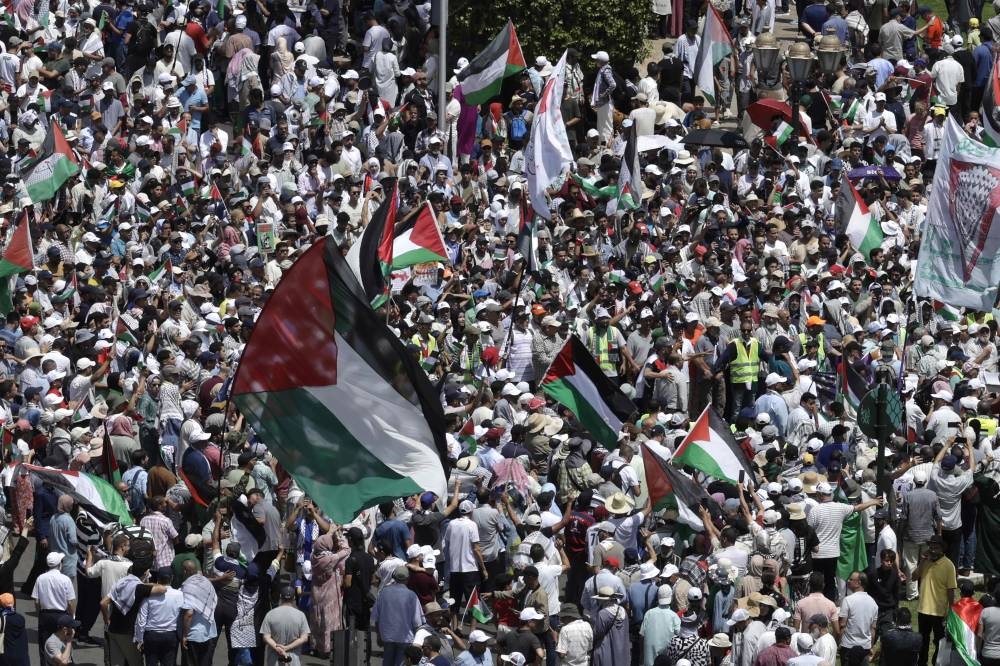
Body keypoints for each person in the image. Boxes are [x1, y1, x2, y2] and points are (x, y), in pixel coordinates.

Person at [260, 585, 311, 666]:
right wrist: (287, 648)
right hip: (293, 660)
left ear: (280, 596)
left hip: (274, 660)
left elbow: (266, 637)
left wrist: (277, 648)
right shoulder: (301, 615)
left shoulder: (270, 614)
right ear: (294, 598)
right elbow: (304, 638)